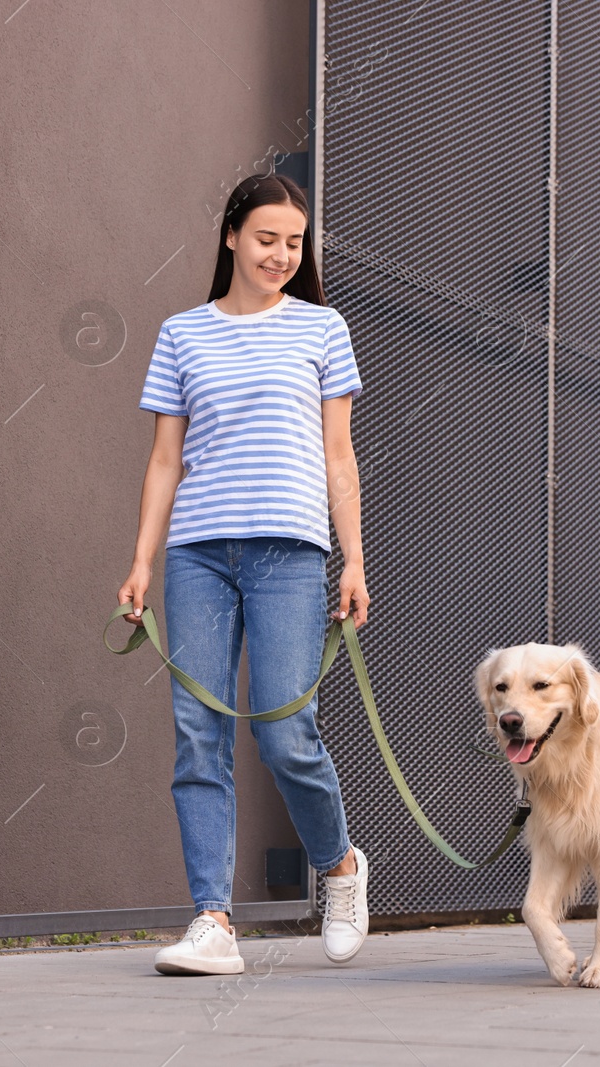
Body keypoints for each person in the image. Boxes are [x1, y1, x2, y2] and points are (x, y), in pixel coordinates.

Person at [117, 173, 371, 976]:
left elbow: (338, 454)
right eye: (267, 238)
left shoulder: (322, 328)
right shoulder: (181, 333)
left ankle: (339, 867)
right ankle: (213, 920)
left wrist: (354, 557)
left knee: (284, 732)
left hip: (290, 554)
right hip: (197, 554)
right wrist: (140, 561)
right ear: (230, 235)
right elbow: (165, 459)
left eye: (294, 243)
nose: (281, 255)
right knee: (198, 735)